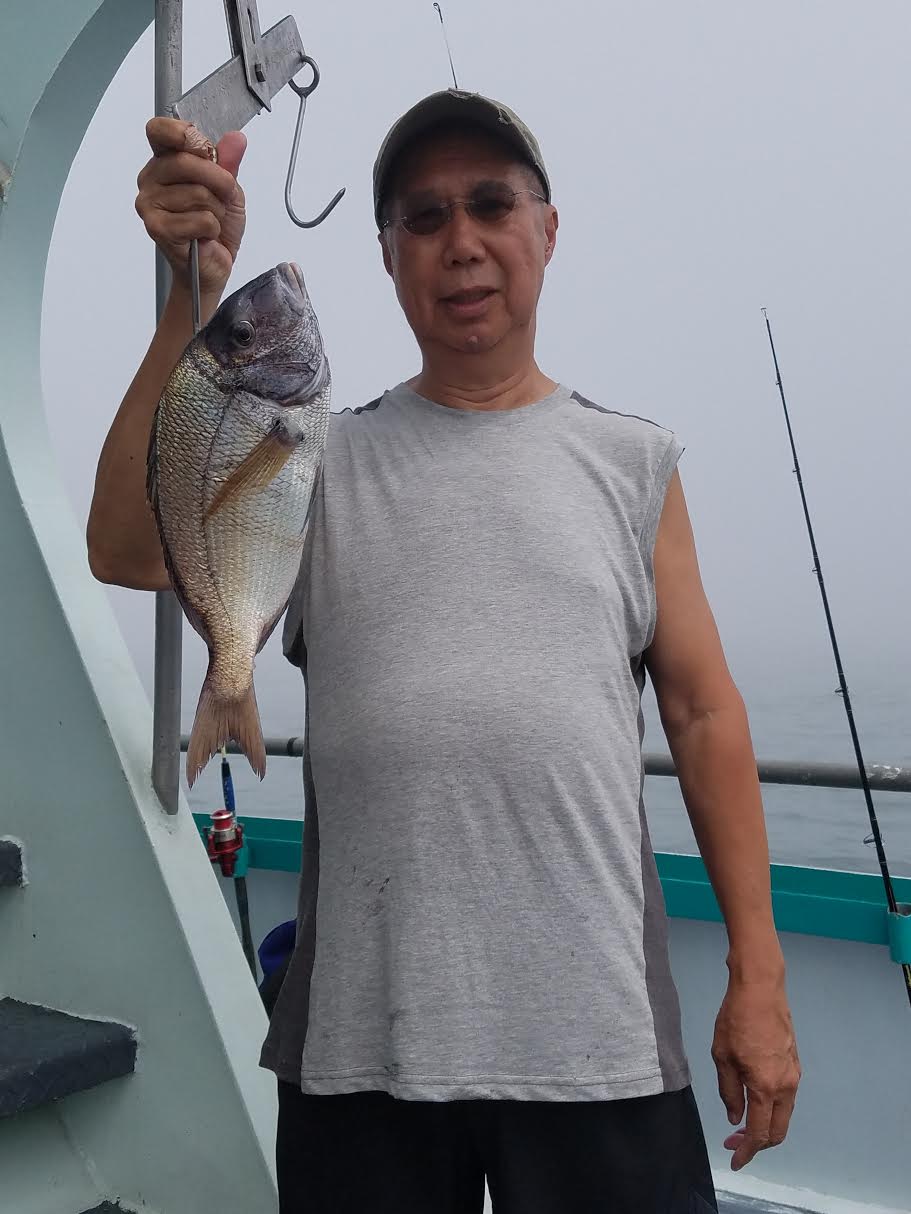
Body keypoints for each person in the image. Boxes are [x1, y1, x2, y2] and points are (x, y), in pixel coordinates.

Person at [88, 88, 801, 1214]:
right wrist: (190, 296)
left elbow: (703, 717)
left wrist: (756, 973)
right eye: (422, 217)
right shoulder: (313, 459)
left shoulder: (634, 465)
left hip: (599, 1038)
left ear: (547, 230)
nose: (460, 240)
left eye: (490, 204)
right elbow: (128, 548)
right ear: (387, 255)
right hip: (361, 1042)